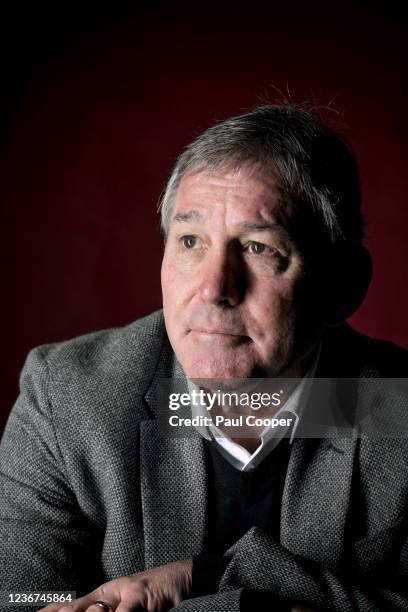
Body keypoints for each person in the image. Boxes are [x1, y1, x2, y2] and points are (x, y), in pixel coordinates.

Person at [1, 104, 407, 612]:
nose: (215, 288)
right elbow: (22, 598)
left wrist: (206, 579)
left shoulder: (397, 408)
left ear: (343, 286)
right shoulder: (64, 396)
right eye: (191, 241)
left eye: (259, 248)